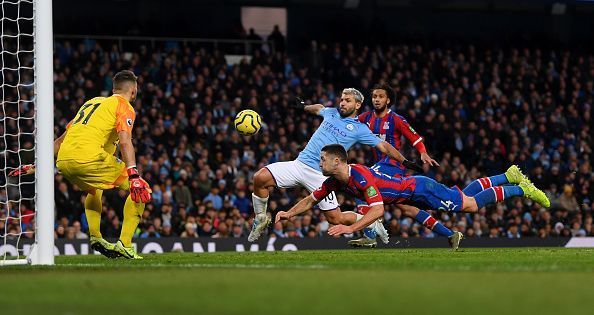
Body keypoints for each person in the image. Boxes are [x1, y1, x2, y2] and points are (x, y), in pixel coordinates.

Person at [276, 144, 550, 250]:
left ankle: (521, 188)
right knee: (463, 195)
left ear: (337, 161)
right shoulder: (334, 180)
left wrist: (349, 227)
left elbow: (377, 212)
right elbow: (311, 200)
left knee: (470, 205)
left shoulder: (361, 177)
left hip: (421, 189)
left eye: (323, 159)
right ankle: (509, 175)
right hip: (411, 195)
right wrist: (289, 213)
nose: (319, 162)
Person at [249, 88, 422, 243]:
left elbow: (383, 146)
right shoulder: (331, 113)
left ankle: (370, 222)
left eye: (347, 100)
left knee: (336, 219)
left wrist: (403, 161)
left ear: (358, 104)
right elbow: (318, 108)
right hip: (299, 164)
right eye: (341, 99)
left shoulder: (360, 129)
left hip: (321, 175)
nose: (343, 103)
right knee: (260, 178)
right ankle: (261, 217)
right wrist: (304, 107)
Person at [12, 70, 152, 259]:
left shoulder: (92, 102)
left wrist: (37, 164)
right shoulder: (124, 106)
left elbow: (62, 140)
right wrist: (133, 174)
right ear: (134, 91)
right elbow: (125, 140)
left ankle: (95, 237)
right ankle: (125, 244)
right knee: (142, 190)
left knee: (95, 189)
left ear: (114, 88)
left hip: (64, 160)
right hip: (89, 158)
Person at [352, 83, 457, 248]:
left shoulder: (396, 119)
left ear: (388, 100)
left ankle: (370, 235)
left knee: (362, 186)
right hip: (380, 165)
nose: (376, 99)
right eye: (374, 96)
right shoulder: (365, 118)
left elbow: (414, 138)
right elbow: (347, 125)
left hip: (392, 164)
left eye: (380, 97)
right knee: (407, 208)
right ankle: (451, 234)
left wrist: (422, 152)